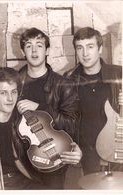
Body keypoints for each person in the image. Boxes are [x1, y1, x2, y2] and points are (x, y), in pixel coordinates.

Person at [0, 67, 82, 190]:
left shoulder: (25, 120)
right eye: (3, 93)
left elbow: (50, 147)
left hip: (26, 181)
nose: (10, 98)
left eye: (14, 92)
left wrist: (73, 152)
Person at [16, 27, 82, 189]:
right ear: (23, 51)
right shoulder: (14, 83)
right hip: (19, 158)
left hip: (52, 156)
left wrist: (41, 107)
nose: (34, 50)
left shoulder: (63, 84)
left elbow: (72, 124)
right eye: (29, 46)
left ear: (47, 50)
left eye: (39, 45)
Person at [64, 27, 123, 175]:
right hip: (88, 154)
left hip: (118, 147)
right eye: (80, 48)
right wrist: (72, 145)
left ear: (100, 48)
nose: (85, 53)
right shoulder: (69, 79)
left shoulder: (119, 73)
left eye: (90, 47)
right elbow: (65, 119)